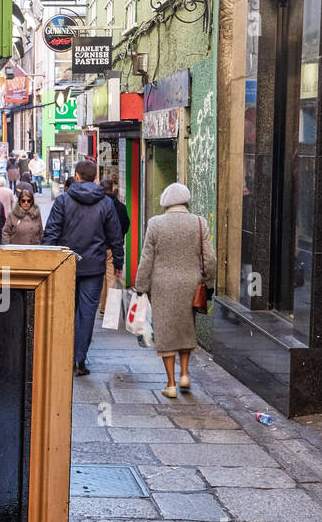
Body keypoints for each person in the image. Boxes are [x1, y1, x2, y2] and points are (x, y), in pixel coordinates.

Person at [134, 182, 217, 398]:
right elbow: (210, 259)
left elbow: (146, 260)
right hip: (191, 284)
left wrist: (140, 286)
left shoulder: (155, 224)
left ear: (166, 203)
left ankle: (170, 384)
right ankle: (185, 374)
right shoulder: (199, 223)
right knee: (186, 327)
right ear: (186, 201)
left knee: (166, 331)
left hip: (162, 286)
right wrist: (208, 283)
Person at [43, 158, 124, 375]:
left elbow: (51, 232)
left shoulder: (62, 201)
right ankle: (80, 359)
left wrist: (45, 260)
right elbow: (115, 235)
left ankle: (65, 355)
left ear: (76, 176)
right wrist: (118, 261)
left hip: (64, 264)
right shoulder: (106, 203)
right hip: (94, 266)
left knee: (65, 311)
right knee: (87, 313)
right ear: (95, 177)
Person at [100, 176, 131, 313]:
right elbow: (126, 225)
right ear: (113, 189)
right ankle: (110, 311)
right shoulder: (121, 207)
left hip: (100, 247)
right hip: (114, 248)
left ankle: (102, 307)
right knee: (112, 280)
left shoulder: (98, 206)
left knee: (101, 280)